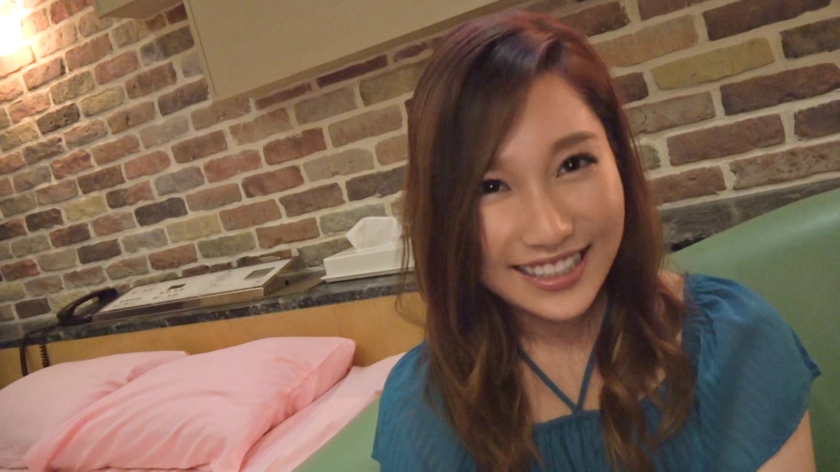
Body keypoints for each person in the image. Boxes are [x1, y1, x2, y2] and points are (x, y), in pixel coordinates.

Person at [371, 11, 821, 472]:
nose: (550, 229)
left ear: (618, 160)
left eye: (573, 164)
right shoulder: (422, 411)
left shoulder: (736, 345)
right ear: (444, 211)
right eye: (490, 186)